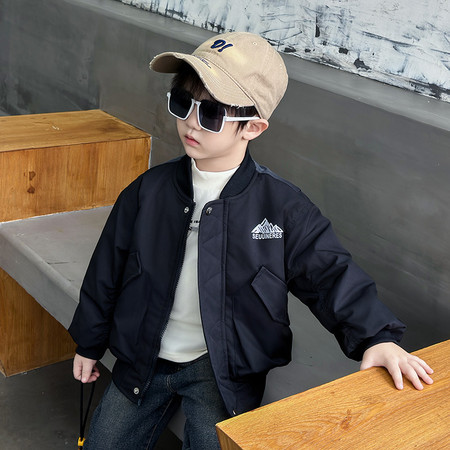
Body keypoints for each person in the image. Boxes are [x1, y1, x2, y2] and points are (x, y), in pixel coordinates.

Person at [68, 31, 433, 449]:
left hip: (223, 370)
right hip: (143, 356)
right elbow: (106, 270)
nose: (191, 122)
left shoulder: (282, 207)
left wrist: (377, 337)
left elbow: (330, 274)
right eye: (183, 103)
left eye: (211, 113)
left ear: (253, 127)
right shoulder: (147, 191)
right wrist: (89, 343)